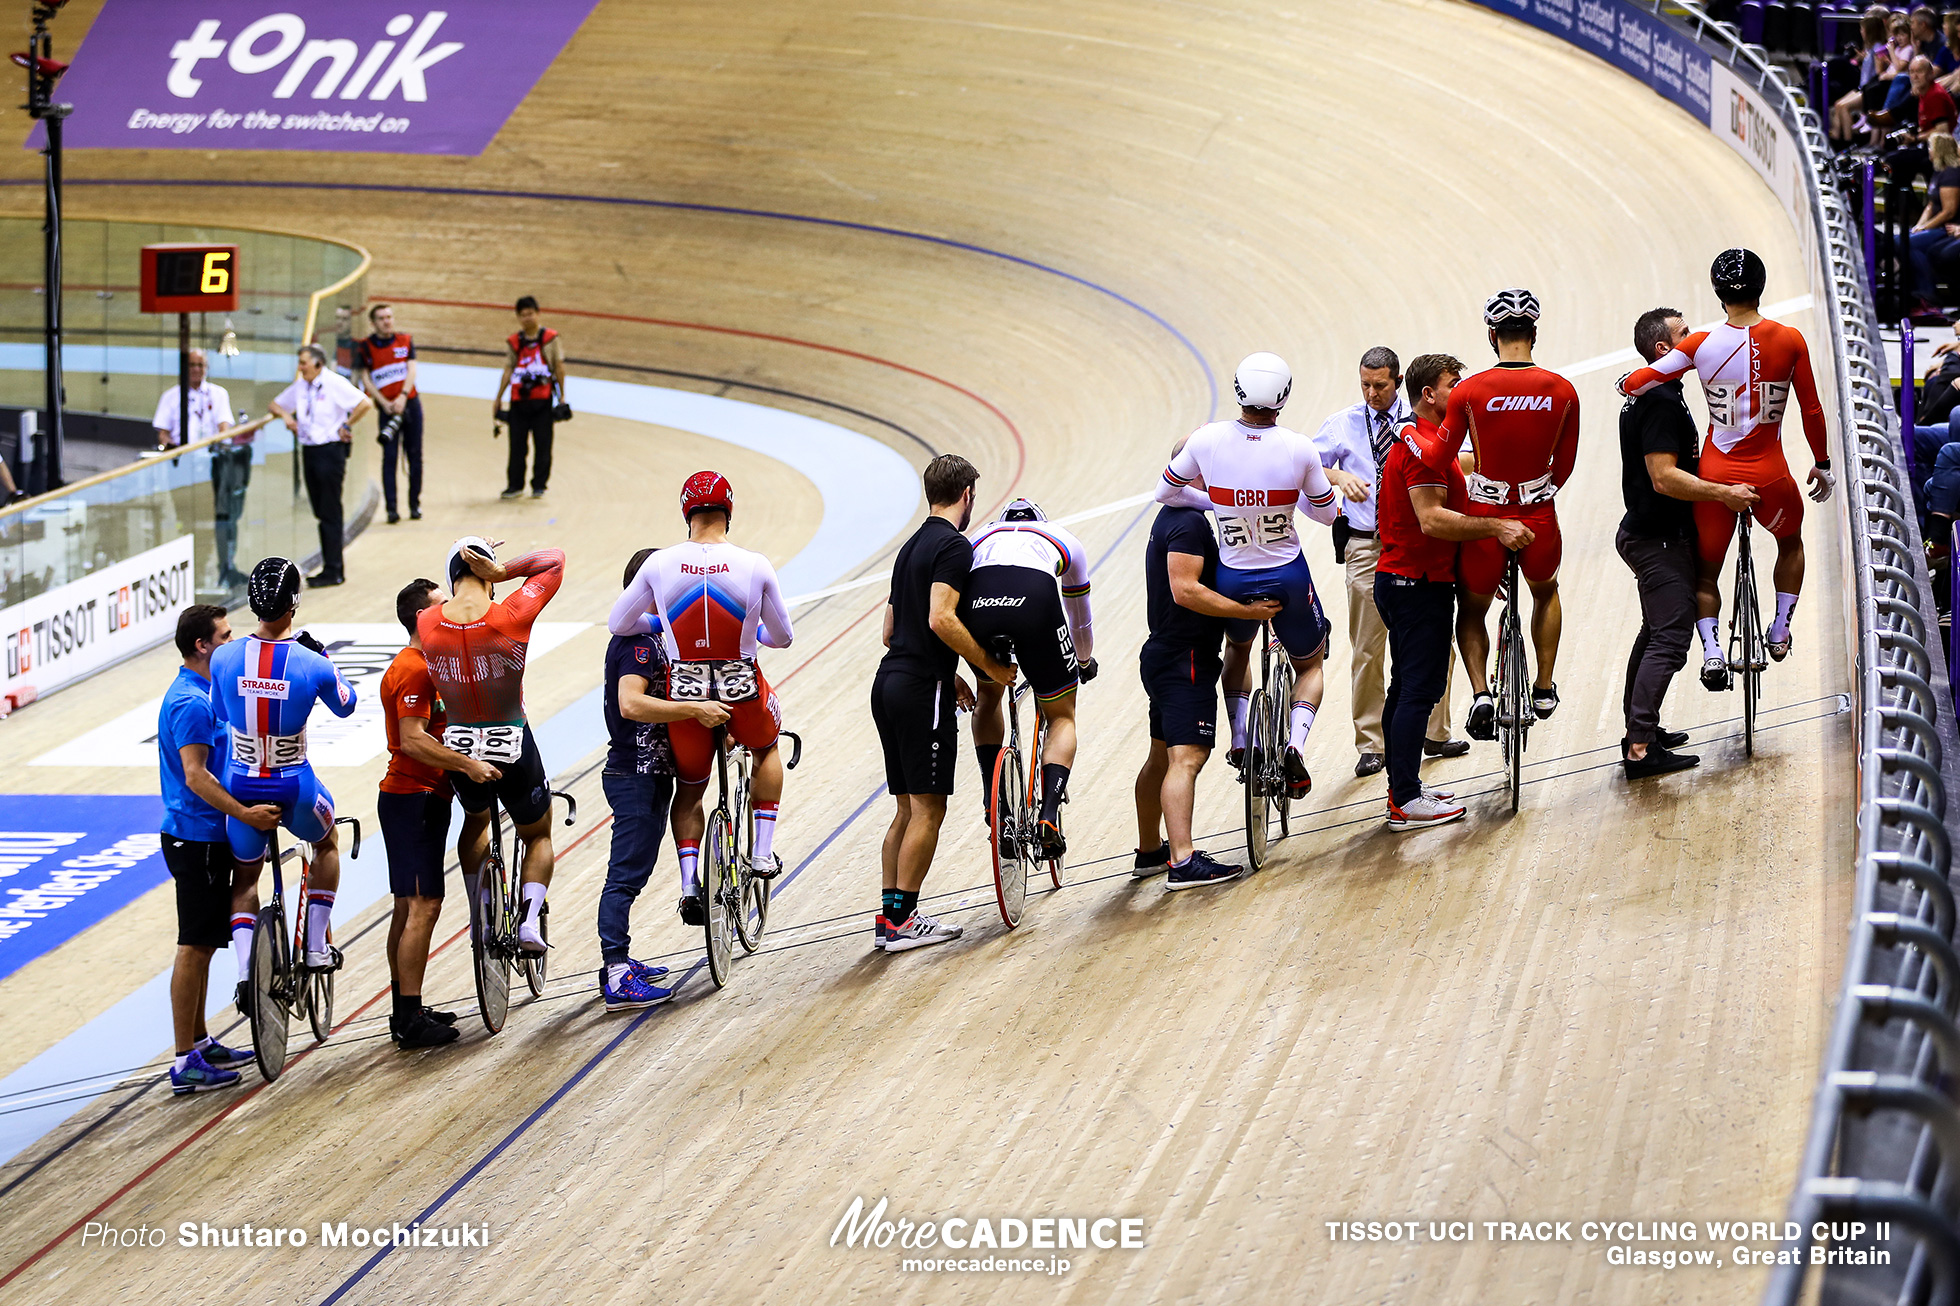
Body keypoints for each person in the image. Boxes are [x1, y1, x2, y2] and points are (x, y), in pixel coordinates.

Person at [1619, 249, 1834, 687]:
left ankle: (1713, 650)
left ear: (1718, 294)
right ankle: (1780, 628)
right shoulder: (1791, 340)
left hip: (1716, 473)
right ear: (1761, 287)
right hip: (1771, 474)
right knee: (1790, 544)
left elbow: (1639, 382)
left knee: (1705, 571)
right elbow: (1812, 409)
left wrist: (1626, 382)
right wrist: (1822, 463)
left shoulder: (1700, 344)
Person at [607, 473, 795, 928]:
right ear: (729, 510)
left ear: (685, 511)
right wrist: (753, 635)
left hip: (685, 687)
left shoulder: (659, 565)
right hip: (740, 684)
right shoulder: (754, 564)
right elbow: (784, 637)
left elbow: (618, 623)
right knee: (766, 746)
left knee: (691, 787)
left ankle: (691, 883)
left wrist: (662, 625)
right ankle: (763, 851)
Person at [1157, 352, 1343, 799]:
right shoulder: (1299, 447)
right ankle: (1295, 744)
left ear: (1238, 390)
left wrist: (1221, 505)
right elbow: (1328, 515)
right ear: (1283, 397)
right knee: (1311, 662)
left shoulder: (1208, 440)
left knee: (1237, 650)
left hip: (1234, 576)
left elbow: (1167, 491)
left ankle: (1241, 738)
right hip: (1287, 575)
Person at [1374, 355, 1531, 830]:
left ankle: (1402, 787)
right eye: (1452, 385)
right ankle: (1404, 800)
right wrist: (1498, 527)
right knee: (1418, 691)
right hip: (1416, 585)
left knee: (1405, 688)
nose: (1460, 392)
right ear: (1429, 395)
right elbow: (1432, 519)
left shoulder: (1425, 442)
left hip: (1410, 581)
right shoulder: (1421, 446)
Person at [868, 455, 1014, 951]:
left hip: (888, 684)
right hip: (920, 691)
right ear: (967, 494)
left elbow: (891, 632)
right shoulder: (953, 546)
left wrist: (946, 674)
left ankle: (889, 920)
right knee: (930, 809)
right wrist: (989, 669)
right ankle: (905, 920)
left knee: (906, 809)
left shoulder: (909, 548)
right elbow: (940, 619)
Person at [1616, 310, 1760, 779]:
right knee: (1672, 639)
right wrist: (1724, 493)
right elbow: (1663, 477)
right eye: (1684, 334)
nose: (1694, 336)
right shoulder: (1658, 399)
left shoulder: (1653, 393)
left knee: (1653, 633)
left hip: (1647, 532)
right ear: (1665, 351)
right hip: (1657, 538)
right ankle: (1640, 748)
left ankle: (1641, 730)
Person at [1313, 346, 1468, 777]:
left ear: (1398, 382)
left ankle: (1436, 731)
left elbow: (1459, 458)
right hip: (1366, 546)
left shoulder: (1423, 418)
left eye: (1380, 385)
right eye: (1364, 384)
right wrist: (1338, 475)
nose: (1371, 393)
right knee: (1368, 647)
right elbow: (1306, 464)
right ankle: (1371, 743)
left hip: (1419, 543)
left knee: (1436, 643)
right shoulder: (1342, 424)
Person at [1133, 440, 1281, 886]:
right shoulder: (1189, 523)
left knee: (1160, 756)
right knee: (1188, 757)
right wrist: (1248, 613)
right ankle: (1182, 860)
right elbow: (1186, 590)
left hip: (1166, 653)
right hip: (1186, 658)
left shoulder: (1175, 517)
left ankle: (1149, 852)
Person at [1436, 288, 1580, 737]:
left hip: (1485, 515)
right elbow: (1567, 464)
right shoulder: (1564, 390)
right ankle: (1542, 685)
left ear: (1492, 335)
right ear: (1534, 333)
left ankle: (1481, 693)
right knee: (1545, 591)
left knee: (1473, 609)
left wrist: (1406, 435)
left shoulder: (1467, 391)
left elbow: (1441, 455)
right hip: (1537, 514)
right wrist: (1535, 493)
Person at [420, 537, 566, 958]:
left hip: (461, 747)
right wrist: (503, 570)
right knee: (538, 834)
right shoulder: (513, 612)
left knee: (476, 821)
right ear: (487, 575)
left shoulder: (428, 621)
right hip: (511, 740)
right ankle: (527, 921)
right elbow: (553, 559)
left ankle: (481, 913)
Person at [210, 558, 358, 975]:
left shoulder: (223, 657)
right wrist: (326, 658)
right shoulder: (313, 664)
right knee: (327, 845)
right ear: (294, 603)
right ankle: (314, 947)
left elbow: (221, 711)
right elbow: (346, 706)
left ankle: (245, 975)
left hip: (239, 783)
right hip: (294, 786)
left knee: (245, 879)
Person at [598, 547, 728, 1011]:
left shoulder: (650, 636)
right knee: (625, 875)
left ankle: (621, 962)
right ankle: (614, 972)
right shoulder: (635, 642)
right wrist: (694, 710)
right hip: (634, 773)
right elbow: (632, 704)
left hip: (648, 770)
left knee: (636, 870)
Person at [159, 604, 279, 1093]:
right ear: (202, 646)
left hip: (207, 834)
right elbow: (195, 775)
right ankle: (184, 1059)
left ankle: (200, 1038)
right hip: (196, 837)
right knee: (193, 946)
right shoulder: (191, 703)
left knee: (206, 945)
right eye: (226, 637)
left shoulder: (210, 689)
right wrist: (243, 814)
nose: (235, 642)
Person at [377, 578, 482, 1050]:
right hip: (412, 797)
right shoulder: (415, 669)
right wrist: (467, 764)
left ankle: (406, 1009)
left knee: (407, 905)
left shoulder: (425, 662)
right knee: (423, 905)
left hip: (418, 796)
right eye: (444, 604)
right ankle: (410, 1018)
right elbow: (414, 738)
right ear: (424, 617)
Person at [961, 498, 1095, 859]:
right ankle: (1048, 816)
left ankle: (997, 806)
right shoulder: (1060, 537)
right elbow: (1079, 615)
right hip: (1034, 604)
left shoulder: (977, 538)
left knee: (988, 697)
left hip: (978, 610)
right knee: (1062, 715)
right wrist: (1082, 661)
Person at [268, 344, 372, 589]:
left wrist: (346, 425)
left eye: (304, 362)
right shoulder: (301, 386)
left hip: (330, 451)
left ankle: (334, 569)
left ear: (317, 363)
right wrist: (287, 417)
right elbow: (275, 404)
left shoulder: (333, 382)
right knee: (320, 511)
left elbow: (364, 403)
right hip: (310, 451)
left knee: (330, 512)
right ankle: (330, 565)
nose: (300, 367)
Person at [354, 303, 424, 525]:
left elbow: (411, 369)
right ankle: (392, 509)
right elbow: (365, 377)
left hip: (410, 405)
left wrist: (403, 396)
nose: (387, 321)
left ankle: (415, 505)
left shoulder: (405, 340)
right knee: (390, 458)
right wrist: (383, 402)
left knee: (415, 456)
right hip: (386, 409)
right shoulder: (365, 347)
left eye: (389, 317)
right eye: (382, 318)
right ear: (373, 323)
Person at [493, 296, 565, 500]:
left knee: (543, 445)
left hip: (542, 401)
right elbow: (508, 369)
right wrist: (498, 397)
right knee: (517, 446)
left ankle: (539, 485)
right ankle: (514, 485)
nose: (527, 318)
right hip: (518, 401)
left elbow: (559, 368)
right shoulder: (515, 342)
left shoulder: (550, 338)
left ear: (538, 313)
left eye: (530, 314)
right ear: (518, 317)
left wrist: (562, 397)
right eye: (523, 315)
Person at [151, 348, 233, 451]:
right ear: (185, 367)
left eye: (200, 365)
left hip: (210, 455)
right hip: (179, 456)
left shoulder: (219, 394)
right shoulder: (170, 396)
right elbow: (163, 434)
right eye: (192, 365)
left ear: (206, 367)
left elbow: (224, 428)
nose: (196, 369)